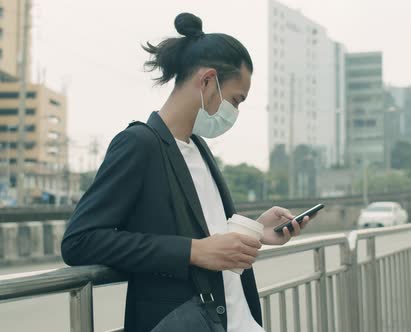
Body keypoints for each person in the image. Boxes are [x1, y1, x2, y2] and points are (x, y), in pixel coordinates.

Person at [61, 12, 316, 332]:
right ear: (207, 80)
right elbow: (80, 241)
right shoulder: (139, 145)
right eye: (235, 100)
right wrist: (192, 252)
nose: (234, 111)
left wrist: (254, 232)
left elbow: (204, 231)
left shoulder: (198, 147)